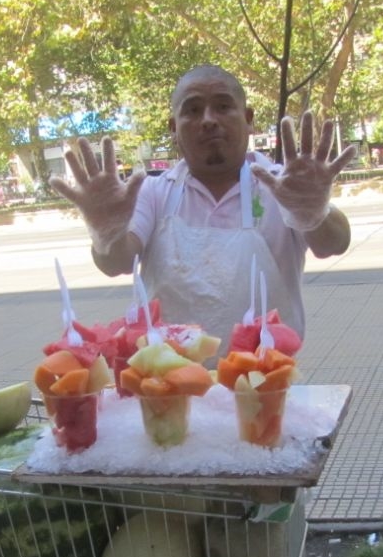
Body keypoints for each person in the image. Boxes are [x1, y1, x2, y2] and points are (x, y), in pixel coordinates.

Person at [49, 65, 356, 349]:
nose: (208, 120)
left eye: (223, 106)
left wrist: (313, 212)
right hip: (168, 387)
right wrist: (106, 232)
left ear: (248, 120)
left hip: (266, 384)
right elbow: (114, 262)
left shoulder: (283, 186)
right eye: (193, 110)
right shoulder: (155, 192)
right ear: (173, 127)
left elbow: (336, 243)